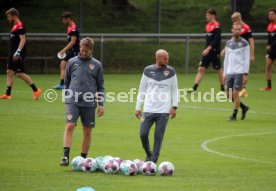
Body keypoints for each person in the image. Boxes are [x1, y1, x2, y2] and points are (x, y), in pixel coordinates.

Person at [60, 37, 104, 166]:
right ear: (79, 48)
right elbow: (67, 82)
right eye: (82, 50)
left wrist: (101, 104)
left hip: (89, 102)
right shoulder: (72, 62)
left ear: (91, 50)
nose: (83, 52)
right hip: (73, 100)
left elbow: (100, 86)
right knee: (69, 125)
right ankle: (65, 157)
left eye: (86, 51)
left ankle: (83, 160)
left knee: (87, 130)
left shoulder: (97, 65)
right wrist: (66, 98)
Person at [135, 49, 178, 163]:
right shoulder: (147, 70)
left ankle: (152, 162)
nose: (167, 60)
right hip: (148, 110)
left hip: (163, 111)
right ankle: (149, 154)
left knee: (158, 138)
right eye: (165, 58)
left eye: (167, 58)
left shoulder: (171, 72)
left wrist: (174, 107)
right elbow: (141, 90)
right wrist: (138, 107)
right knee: (142, 134)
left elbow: (175, 90)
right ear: (157, 58)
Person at [0, 8, 42, 100]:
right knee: (9, 72)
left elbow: (23, 39)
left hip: (17, 54)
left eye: (9, 16)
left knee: (19, 73)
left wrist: (18, 52)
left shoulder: (20, 26)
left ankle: (36, 90)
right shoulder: (15, 25)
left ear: (14, 15)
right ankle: (7, 94)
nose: (8, 18)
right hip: (12, 53)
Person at [187, 9, 224, 93]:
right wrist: (205, 50)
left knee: (218, 70)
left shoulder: (217, 26)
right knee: (201, 69)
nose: (206, 17)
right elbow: (208, 41)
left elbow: (216, 40)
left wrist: (208, 49)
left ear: (213, 15)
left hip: (214, 51)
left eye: (208, 15)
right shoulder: (207, 26)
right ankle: (194, 88)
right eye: (206, 15)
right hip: (207, 52)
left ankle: (222, 88)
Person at [223, 24, 250, 121]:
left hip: (239, 72)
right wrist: (224, 74)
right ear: (232, 30)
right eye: (235, 29)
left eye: (239, 29)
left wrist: (245, 74)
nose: (237, 31)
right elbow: (226, 59)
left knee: (235, 93)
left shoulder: (245, 43)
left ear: (241, 30)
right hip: (229, 72)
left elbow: (247, 59)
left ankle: (234, 115)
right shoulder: (228, 43)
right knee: (228, 95)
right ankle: (243, 107)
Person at [53, 11, 80, 90]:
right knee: (64, 65)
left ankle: (64, 84)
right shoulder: (69, 27)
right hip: (71, 50)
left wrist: (63, 50)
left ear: (68, 19)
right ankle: (63, 84)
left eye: (64, 20)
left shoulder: (74, 28)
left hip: (75, 51)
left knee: (65, 65)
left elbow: (73, 42)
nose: (63, 21)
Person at [261, 8, 276, 91]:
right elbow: (269, 39)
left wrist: (271, 45)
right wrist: (268, 47)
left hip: (274, 47)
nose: (270, 16)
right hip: (271, 50)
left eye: (272, 14)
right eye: (269, 14)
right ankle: (269, 86)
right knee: (268, 66)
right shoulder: (270, 26)